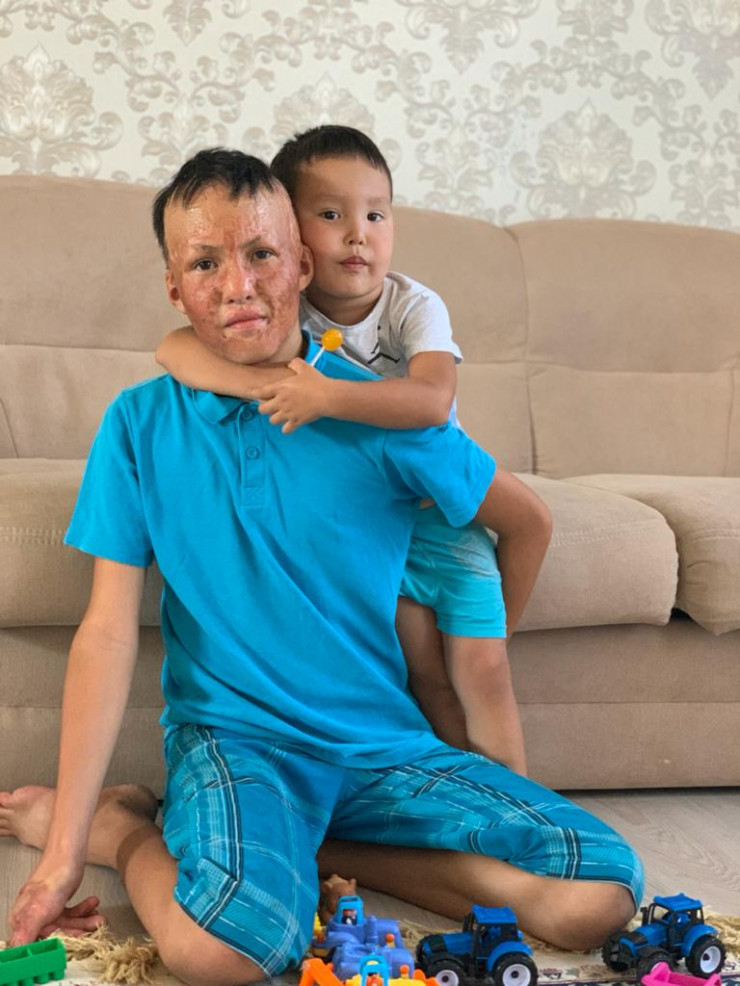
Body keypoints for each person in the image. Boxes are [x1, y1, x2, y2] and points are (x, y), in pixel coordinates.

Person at [1, 149, 642, 986]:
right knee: (219, 953)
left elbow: (523, 516)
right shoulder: (139, 423)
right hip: (240, 743)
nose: (238, 286)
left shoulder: (377, 410)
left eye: (261, 253)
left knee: (599, 895)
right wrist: (64, 853)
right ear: (174, 288)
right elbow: (108, 632)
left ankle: (318, 849)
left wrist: (491, 644)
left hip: (384, 746)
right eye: (205, 263)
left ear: (302, 263)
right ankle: (125, 830)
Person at [155, 126, 525, 773]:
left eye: (376, 215)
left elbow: (432, 401)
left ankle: (517, 800)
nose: (358, 234)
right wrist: (265, 386)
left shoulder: (412, 306)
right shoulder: (285, 306)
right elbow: (173, 348)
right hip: (370, 526)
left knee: (482, 668)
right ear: (291, 239)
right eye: (331, 215)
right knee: (424, 679)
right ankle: (454, 787)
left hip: (440, 507)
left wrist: (325, 397)